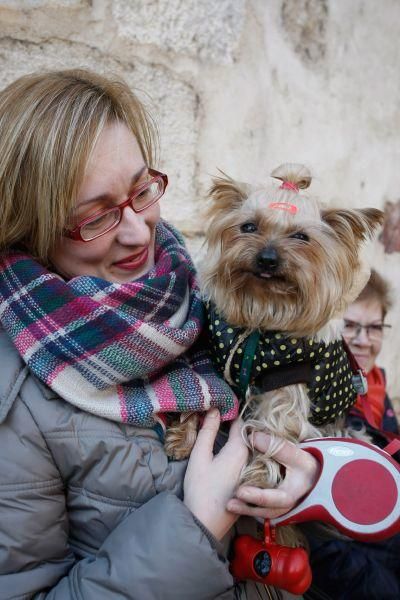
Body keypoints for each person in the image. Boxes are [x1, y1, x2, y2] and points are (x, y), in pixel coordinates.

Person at [0, 69, 319, 599]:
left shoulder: (206, 300)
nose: (137, 230)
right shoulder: (16, 400)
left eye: (141, 191)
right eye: (95, 217)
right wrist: (194, 529)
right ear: (29, 227)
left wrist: (306, 484)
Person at [305, 269, 400, 600]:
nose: (363, 339)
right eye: (351, 326)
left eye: (374, 327)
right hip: (341, 548)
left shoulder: (375, 387)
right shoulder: (317, 394)